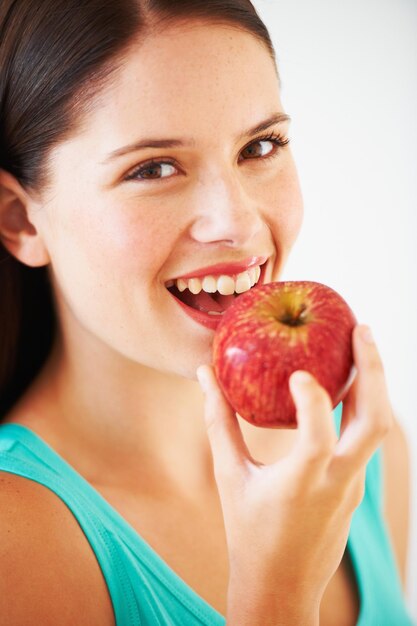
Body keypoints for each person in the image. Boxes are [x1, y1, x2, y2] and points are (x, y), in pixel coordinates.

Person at [0, 1, 414, 624]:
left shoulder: (349, 453)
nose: (239, 222)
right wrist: (277, 598)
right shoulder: (17, 550)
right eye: (154, 168)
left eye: (260, 146)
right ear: (20, 219)